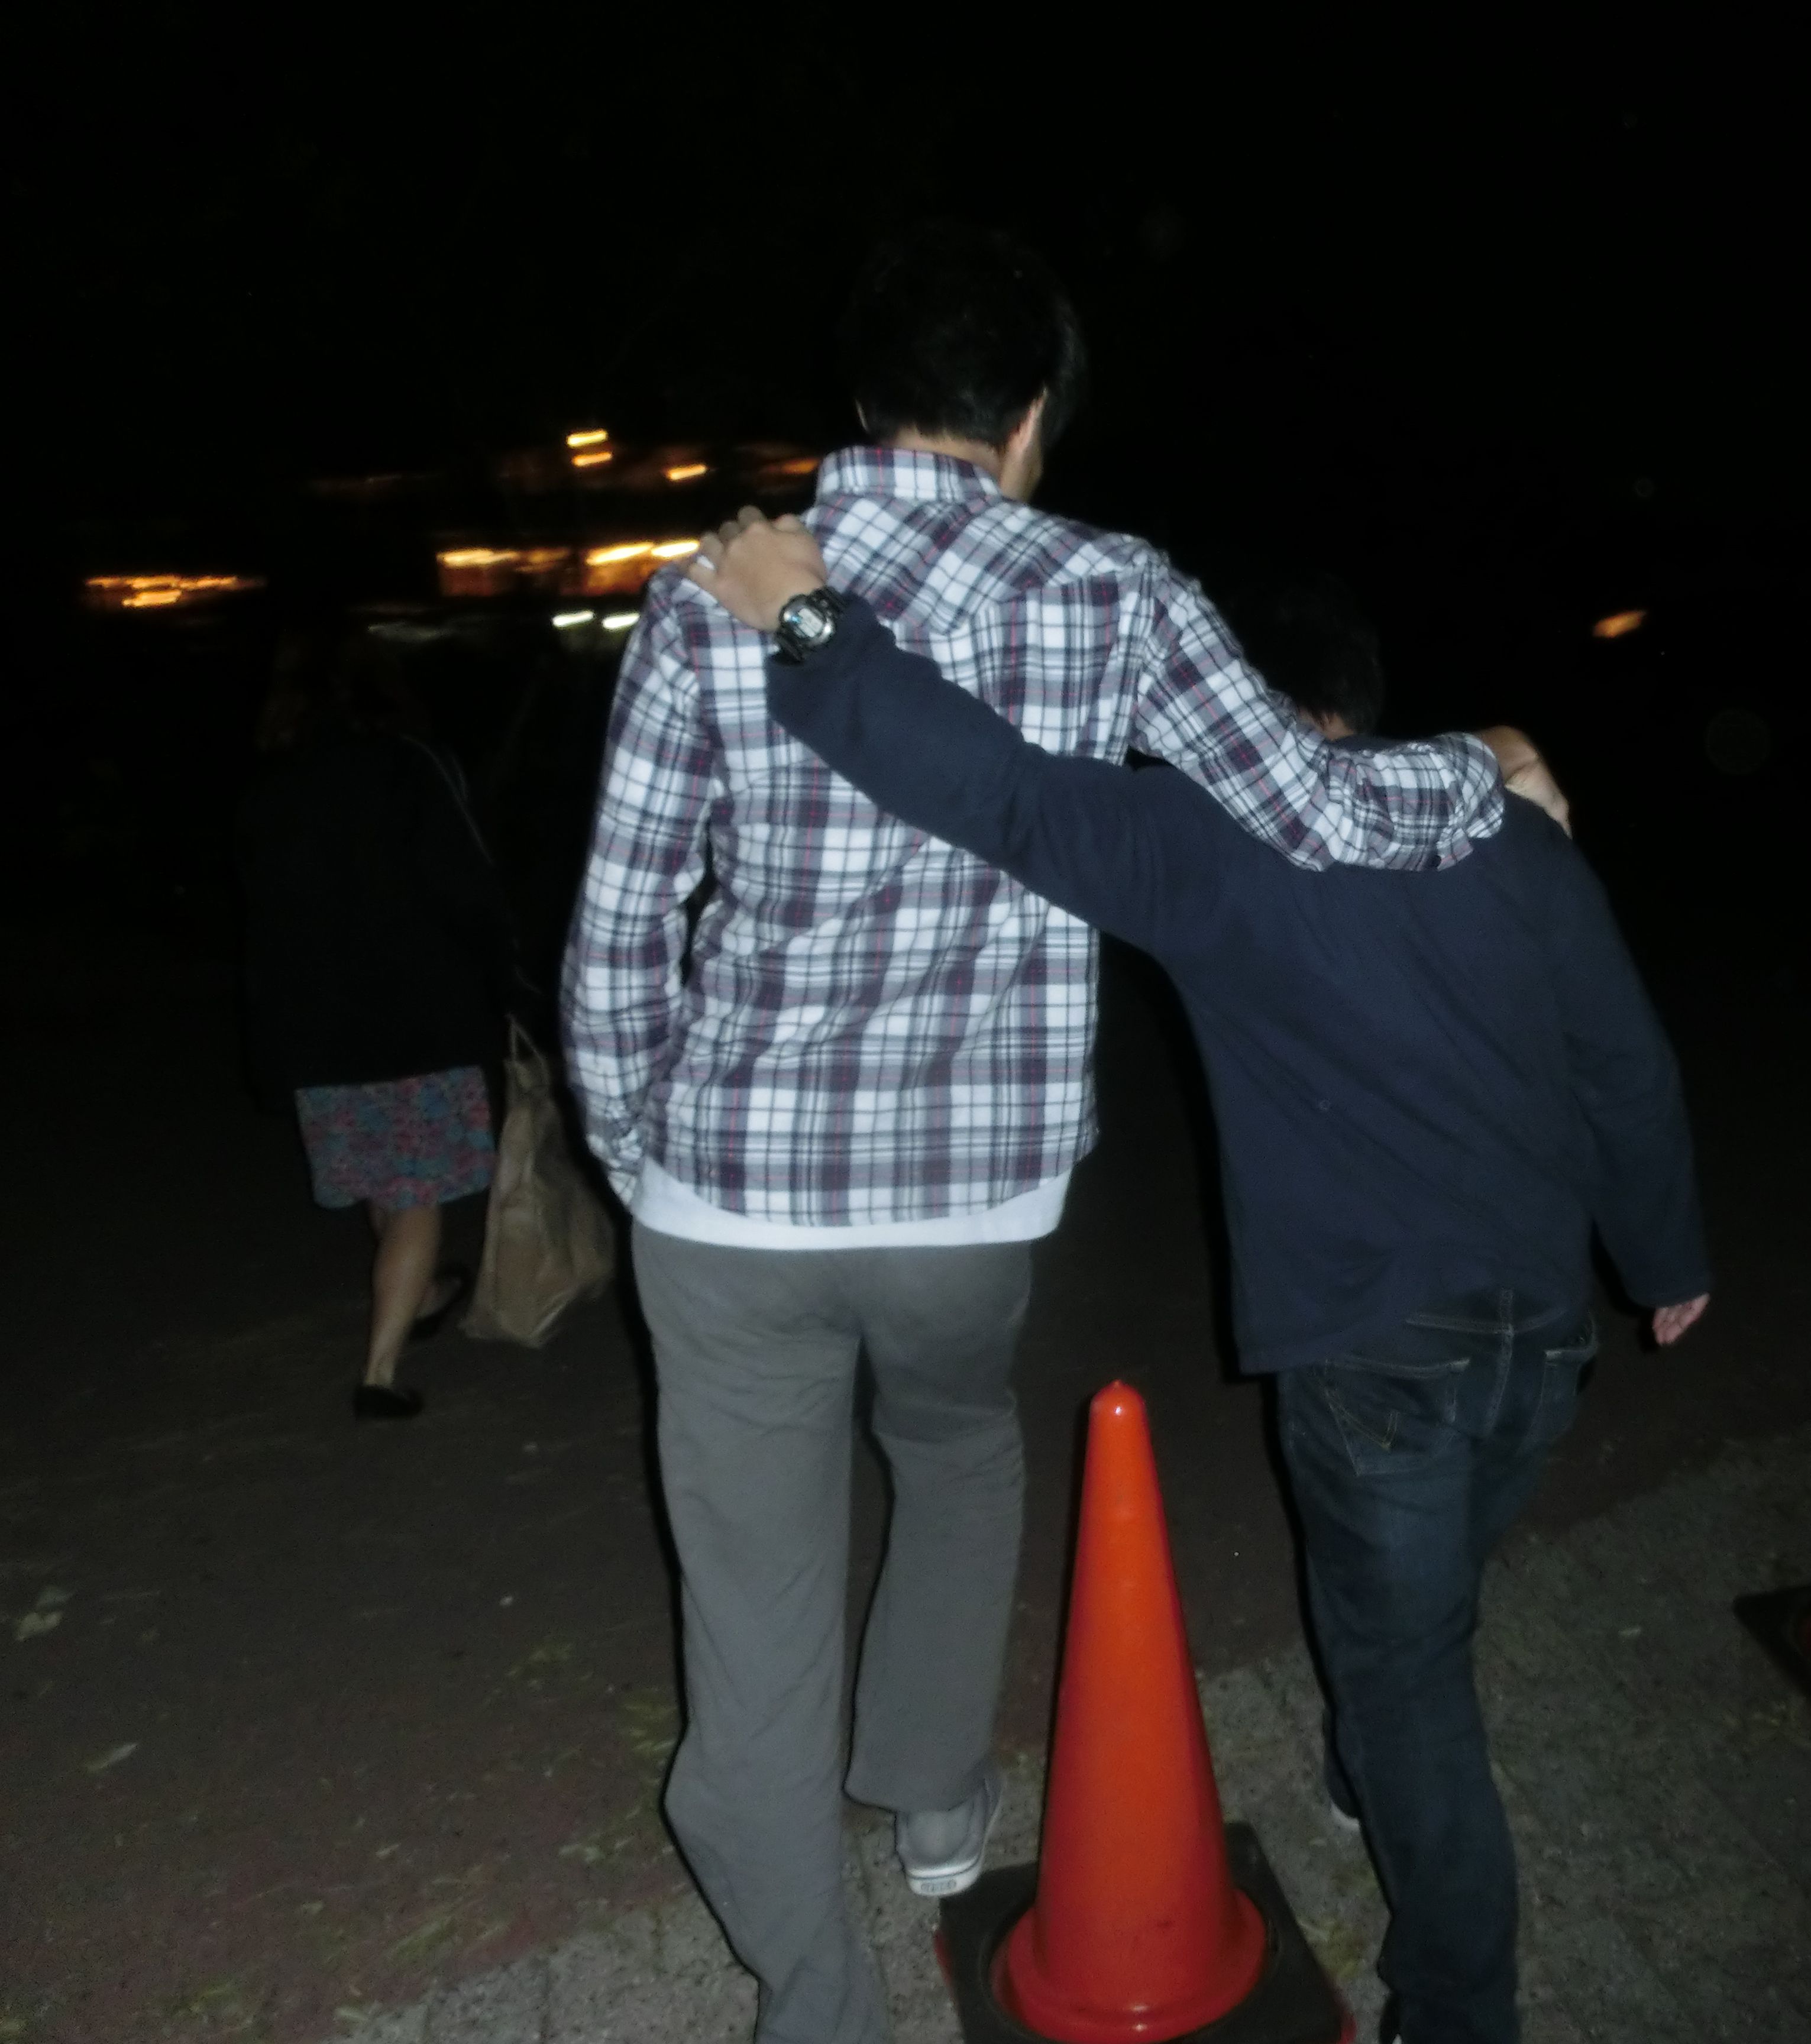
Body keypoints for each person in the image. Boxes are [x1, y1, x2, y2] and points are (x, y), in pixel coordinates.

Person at [558, 222, 1552, 2044]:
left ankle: (817, 2002)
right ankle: (937, 1802)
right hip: (971, 1201)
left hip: (729, 1197)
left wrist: (641, 1157)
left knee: (752, 1610)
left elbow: (624, 920)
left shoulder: (718, 589)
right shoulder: (1115, 592)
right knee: (956, 1454)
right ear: (1029, 419)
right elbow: (1311, 808)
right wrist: (1477, 769)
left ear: (865, 398)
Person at [688, 510, 1709, 2044]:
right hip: (1544, 1331)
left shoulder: (1218, 840)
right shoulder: (1505, 829)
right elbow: (1625, 1062)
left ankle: (1461, 2004)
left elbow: (995, 791)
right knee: (1415, 1616)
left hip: (1379, 1348)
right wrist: (1668, 1255)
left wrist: (814, 625)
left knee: (1417, 1679)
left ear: (1239, 696)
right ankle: (1365, 1771)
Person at [237, 626, 509, 1420]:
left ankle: (420, 1292)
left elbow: (260, 922)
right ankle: (380, 1375)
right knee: (416, 1188)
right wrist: (510, 981)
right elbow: (469, 885)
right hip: (418, 1015)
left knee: (381, 1178)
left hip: (316, 1023)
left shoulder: (270, 789)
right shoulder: (412, 765)